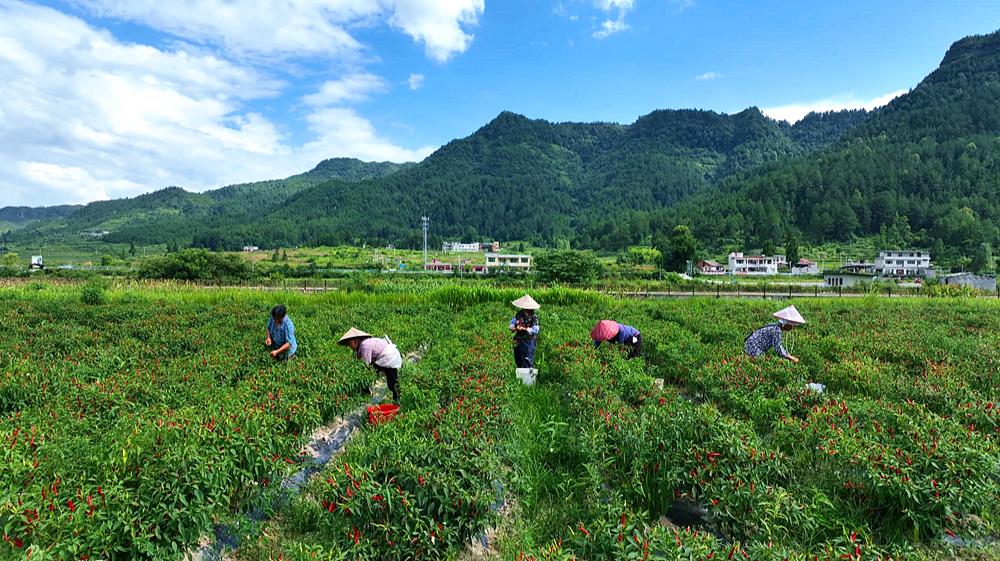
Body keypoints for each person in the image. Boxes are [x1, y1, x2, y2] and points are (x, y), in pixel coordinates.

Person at [338, 328, 402, 403]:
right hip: (386, 356)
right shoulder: (361, 346)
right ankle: (397, 398)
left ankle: (397, 400)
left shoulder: (364, 345)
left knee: (390, 380)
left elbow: (366, 363)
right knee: (392, 379)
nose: (349, 346)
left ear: (355, 340)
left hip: (388, 356)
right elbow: (357, 359)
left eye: (349, 343)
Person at [509, 295, 540, 369]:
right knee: (518, 359)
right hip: (518, 340)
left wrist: (524, 329)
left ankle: (528, 378)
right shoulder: (518, 315)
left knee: (528, 359)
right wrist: (516, 328)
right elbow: (511, 325)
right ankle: (520, 378)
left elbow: (535, 330)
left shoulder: (534, 317)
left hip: (528, 340)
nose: (525, 309)